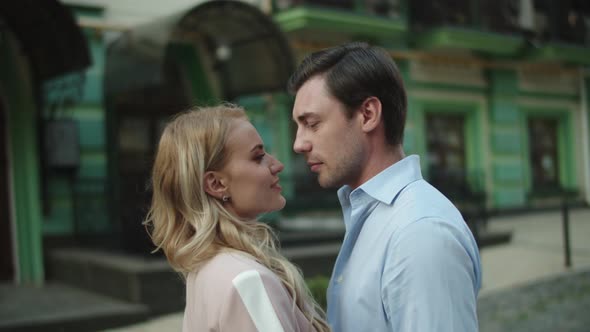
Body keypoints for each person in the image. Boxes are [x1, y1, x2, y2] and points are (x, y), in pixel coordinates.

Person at [288, 42, 482, 331]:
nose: (298, 143)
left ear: (368, 114)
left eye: (312, 124)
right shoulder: (374, 215)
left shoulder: (419, 234)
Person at [144, 104, 330, 332]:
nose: (277, 165)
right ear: (216, 183)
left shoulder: (206, 269)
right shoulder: (246, 280)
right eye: (258, 156)